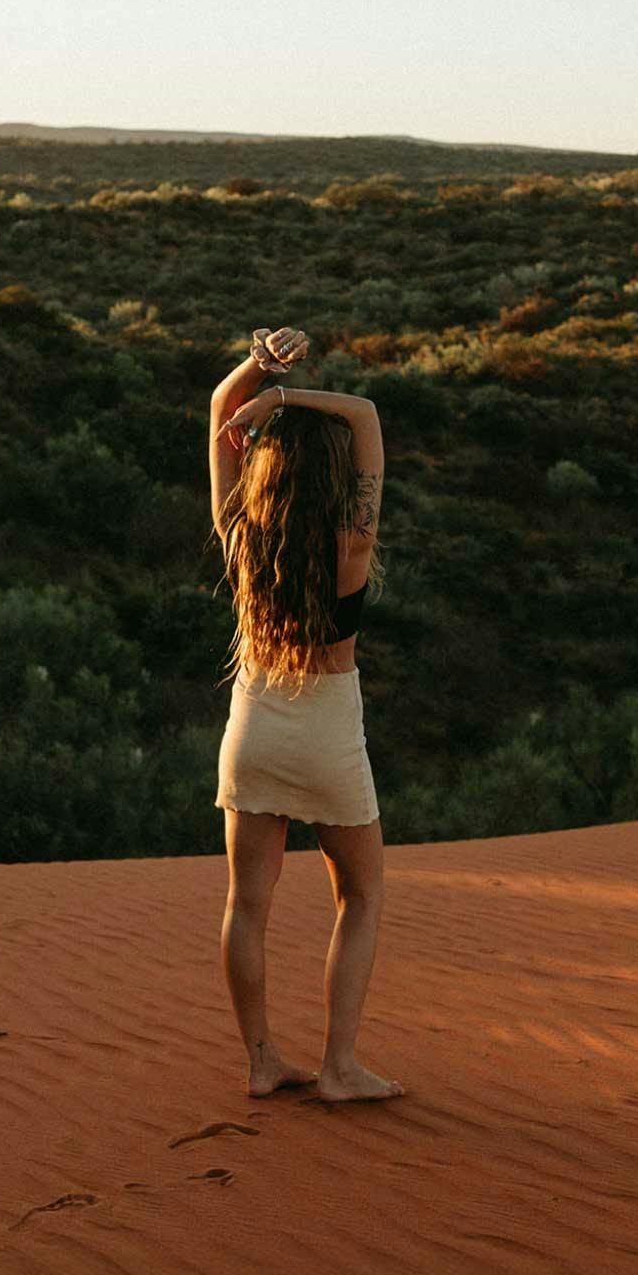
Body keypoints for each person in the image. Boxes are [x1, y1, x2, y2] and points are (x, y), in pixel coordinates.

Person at [209, 326, 405, 1104]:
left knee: (246, 905)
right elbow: (363, 414)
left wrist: (258, 373)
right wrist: (288, 396)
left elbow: (218, 408)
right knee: (360, 895)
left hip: (253, 724)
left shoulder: (240, 533)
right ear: (333, 476)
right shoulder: (351, 544)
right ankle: (338, 1068)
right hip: (327, 731)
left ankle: (261, 1062)